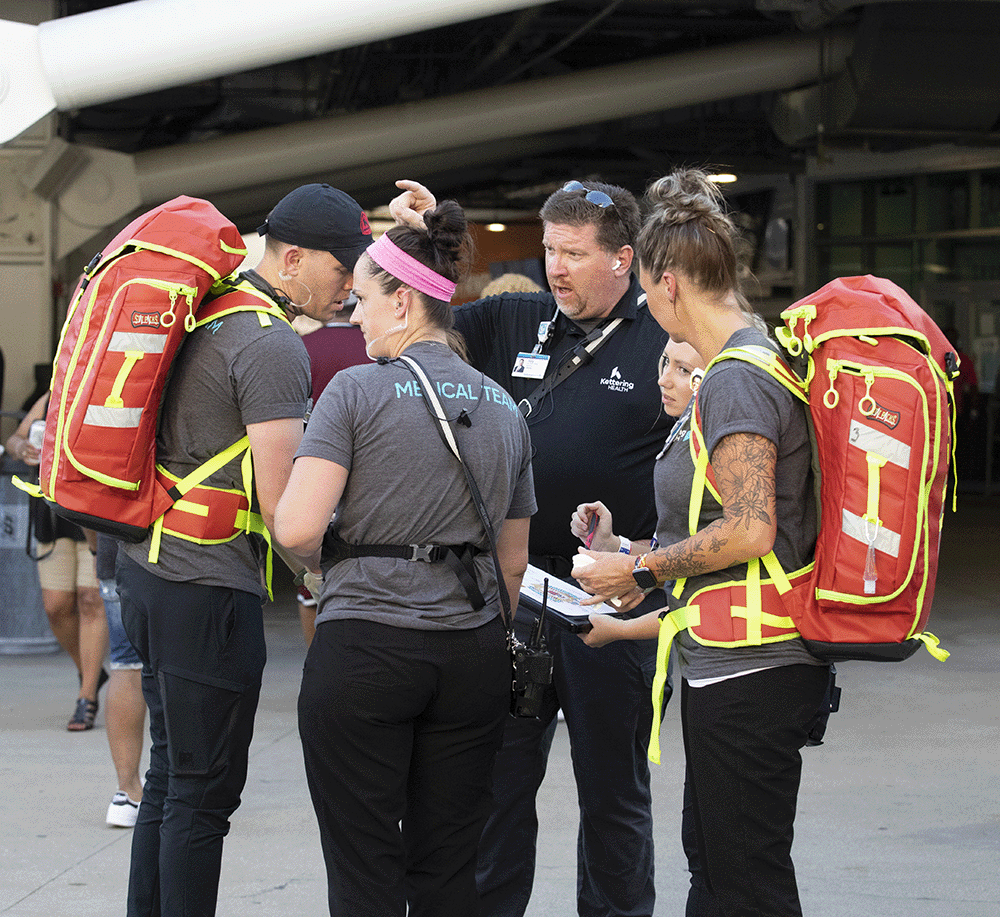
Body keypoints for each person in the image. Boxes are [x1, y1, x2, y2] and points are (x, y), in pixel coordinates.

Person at [393, 177, 672, 917]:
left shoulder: (664, 340)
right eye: (550, 249)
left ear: (623, 258)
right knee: (495, 789)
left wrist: (653, 560)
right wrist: (427, 239)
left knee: (614, 797)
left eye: (574, 253)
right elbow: (425, 309)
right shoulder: (519, 318)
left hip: (616, 598)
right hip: (513, 596)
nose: (556, 267)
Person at [573, 168, 830, 917]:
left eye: (647, 291)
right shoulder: (744, 363)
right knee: (717, 873)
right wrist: (639, 565)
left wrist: (641, 564)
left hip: (755, 669)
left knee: (742, 882)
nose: (650, 308)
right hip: (734, 663)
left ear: (669, 283)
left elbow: (750, 527)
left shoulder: (734, 381)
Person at [116, 182, 372, 917]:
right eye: (342, 265)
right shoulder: (269, 345)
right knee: (202, 797)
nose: (350, 284)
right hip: (207, 587)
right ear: (293, 258)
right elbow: (283, 506)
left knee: (171, 779)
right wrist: (339, 573)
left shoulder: (209, 312)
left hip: (151, 570)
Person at [274, 199, 535, 916]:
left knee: (365, 869)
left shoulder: (355, 391)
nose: (352, 317)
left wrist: (329, 568)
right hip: (473, 653)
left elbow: (296, 525)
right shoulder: (506, 408)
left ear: (405, 298)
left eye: (361, 300)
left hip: (366, 647)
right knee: (450, 866)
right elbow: (512, 563)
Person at [6, 393, 108, 731]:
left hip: (93, 507)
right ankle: (90, 669)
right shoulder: (52, 390)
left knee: (91, 599)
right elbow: (14, 438)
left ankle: (87, 695)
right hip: (52, 511)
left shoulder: (105, 385)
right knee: (56, 606)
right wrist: (21, 448)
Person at [294, 298, 369, 645]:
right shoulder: (377, 347)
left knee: (313, 585)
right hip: (371, 480)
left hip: (315, 474)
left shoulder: (300, 348)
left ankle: (317, 661)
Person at [95, 532, 146, 827]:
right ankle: (177, 787)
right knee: (182, 670)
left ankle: (127, 792)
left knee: (126, 666)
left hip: (116, 547)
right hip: (184, 554)